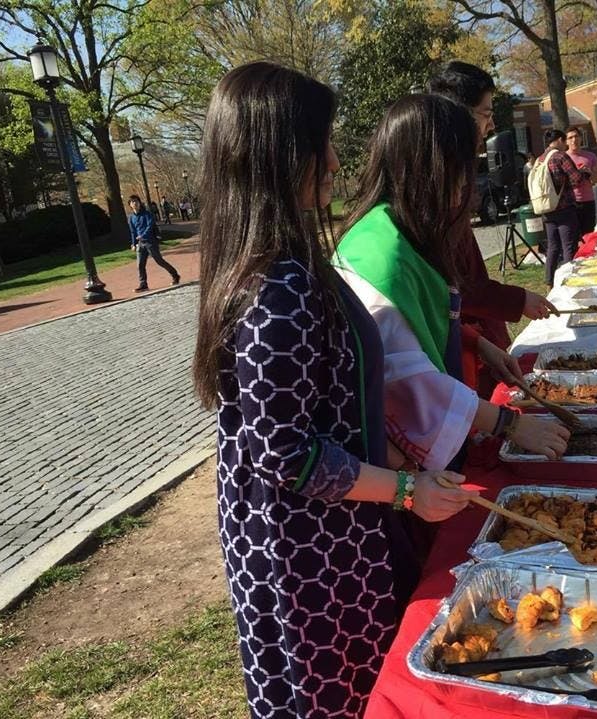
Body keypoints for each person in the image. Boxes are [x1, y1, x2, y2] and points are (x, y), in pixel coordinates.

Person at [192, 62, 476, 719]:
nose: (334, 157)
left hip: (320, 534)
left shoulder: (286, 265)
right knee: (336, 697)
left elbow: (331, 408)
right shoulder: (277, 288)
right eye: (321, 141)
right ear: (279, 153)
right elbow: (287, 455)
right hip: (308, 553)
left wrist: (403, 466)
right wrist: (405, 489)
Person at [336, 94, 570, 473]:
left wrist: (476, 343)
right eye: (464, 166)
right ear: (435, 169)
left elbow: (421, 319)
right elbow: (406, 378)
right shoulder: (383, 254)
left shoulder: (404, 229)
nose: (467, 184)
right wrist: (509, 423)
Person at [428, 61, 557, 396]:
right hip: (456, 362)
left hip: (476, 341)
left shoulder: (456, 170)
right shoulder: (434, 185)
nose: (491, 125)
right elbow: (452, 288)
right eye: (485, 114)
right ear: (459, 115)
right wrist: (515, 300)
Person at [534, 128, 585, 287]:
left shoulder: (540, 159)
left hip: (547, 209)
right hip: (564, 208)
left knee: (552, 248)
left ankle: (549, 283)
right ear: (561, 140)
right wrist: (584, 172)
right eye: (565, 141)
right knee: (568, 246)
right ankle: (568, 282)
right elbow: (576, 179)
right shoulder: (560, 156)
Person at [127, 194, 180, 292]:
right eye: (133, 202)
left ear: (139, 203)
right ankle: (143, 284)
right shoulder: (131, 218)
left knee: (159, 261)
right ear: (130, 205)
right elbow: (132, 231)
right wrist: (133, 243)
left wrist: (143, 235)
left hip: (150, 242)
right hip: (140, 243)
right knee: (140, 265)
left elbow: (150, 225)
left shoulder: (147, 214)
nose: (135, 203)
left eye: (136, 201)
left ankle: (175, 275)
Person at [565, 126, 597, 235]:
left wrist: (589, 172)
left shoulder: (590, 156)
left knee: (588, 234)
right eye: (570, 137)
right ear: (566, 141)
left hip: (588, 200)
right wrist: (575, 174)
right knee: (573, 237)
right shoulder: (563, 157)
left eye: (576, 136)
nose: (574, 140)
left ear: (581, 138)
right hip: (570, 202)